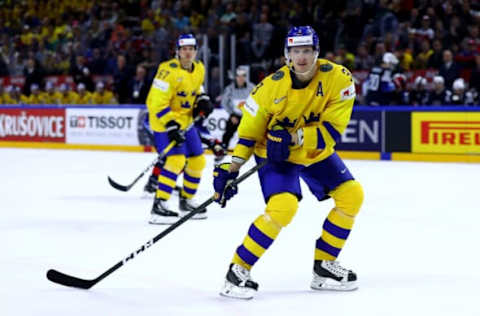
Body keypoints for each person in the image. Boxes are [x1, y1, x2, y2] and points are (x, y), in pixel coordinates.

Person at [213, 26, 364, 299]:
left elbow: (332, 132)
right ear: (287, 55)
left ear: (316, 53)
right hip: (273, 154)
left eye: (307, 50)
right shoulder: (267, 89)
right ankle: (238, 269)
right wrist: (231, 168)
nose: (302, 57)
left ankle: (324, 267)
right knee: (283, 207)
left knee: (351, 195)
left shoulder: (340, 79)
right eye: (296, 51)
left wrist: (293, 137)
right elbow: (248, 135)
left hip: (313, 150)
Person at [145, 33, 213, 224]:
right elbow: (157, 103)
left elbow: (197, 88)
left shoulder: (199, 68)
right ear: (177, 52)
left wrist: (203, 98)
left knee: (198, 161)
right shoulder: (167, 71)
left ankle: (187, 201)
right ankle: (159, 206)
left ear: (195, 51)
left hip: (186, 121)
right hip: (163, 122)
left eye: (191, 49)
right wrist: (171, 125)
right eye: (184, 49)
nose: (188, 53)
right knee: (176, 160)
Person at [220, 67, 255, 157]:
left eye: (243, 76)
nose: (240, 78)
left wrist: (252, 116)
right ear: (235, 77)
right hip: (235, 115)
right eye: (238, 76)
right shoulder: (230, 89)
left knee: (254, 134)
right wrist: (231, 115)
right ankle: (222, 150)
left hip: (248, 116)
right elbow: (224, 102)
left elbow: (258, 102)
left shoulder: (252, 87)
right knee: (228, 133)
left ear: (245, 77)